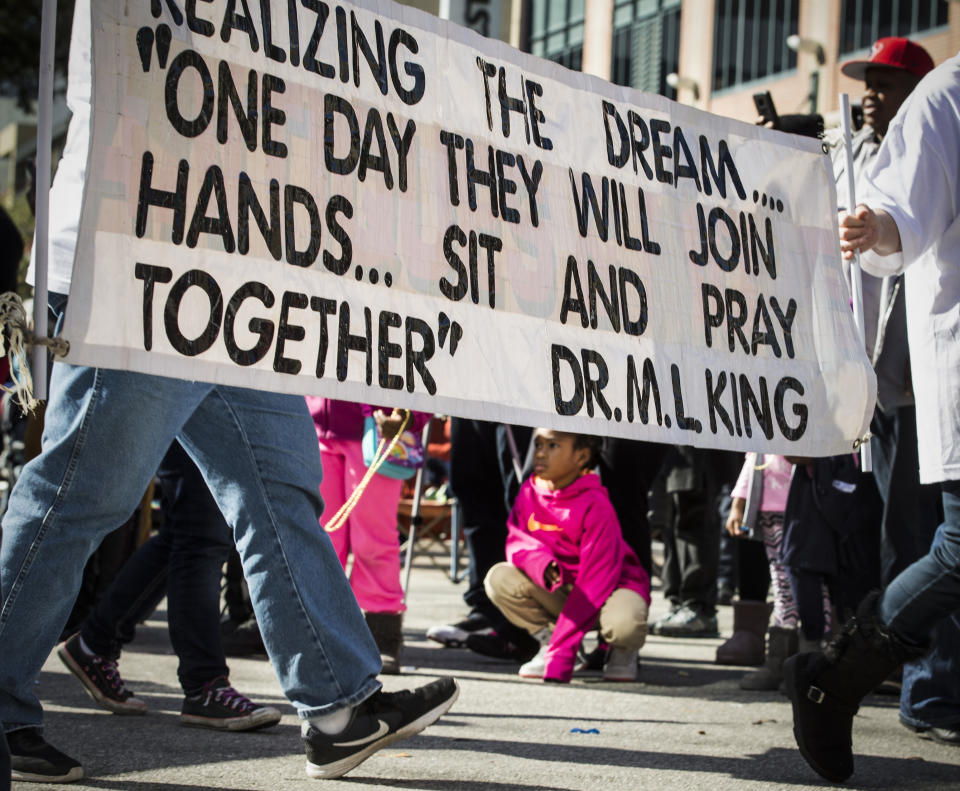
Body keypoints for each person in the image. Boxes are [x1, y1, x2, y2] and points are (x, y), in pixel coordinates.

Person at [0, 0, 458, 783]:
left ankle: (339, 706)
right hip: (140, 255)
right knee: (83, 494)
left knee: (277, 484)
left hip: (234, 276)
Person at [786, 51, 960, 783]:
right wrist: (879, 226)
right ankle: (833, 673)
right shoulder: (946, 95)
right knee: (953, 547)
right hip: (937, 371)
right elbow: (905, 210)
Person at [833, 36, 956, 743]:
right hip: (896, 390)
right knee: (925, 543)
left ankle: (923, 685)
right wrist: (873, 226)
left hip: (915, 386)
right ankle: (920, 687)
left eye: (885, 81)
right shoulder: (863, 156)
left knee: (937, 546)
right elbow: (894, 226)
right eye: (867, 83)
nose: (872, 93)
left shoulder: (929, 126)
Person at [57, 442, 281, 730]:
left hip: (203, 404)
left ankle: (94, 643)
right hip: (192, 404)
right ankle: (204, 685)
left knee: (183, 534)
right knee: (201, 534)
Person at [484, 428, 650, 682]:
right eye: (538, 444)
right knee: (499, 578)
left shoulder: (596, 503)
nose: (539, 453)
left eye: (553, 446)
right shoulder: (528, 492)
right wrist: (541, 564)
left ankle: (622, 651)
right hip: (563, 589)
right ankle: (548, 642)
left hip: (606, 592)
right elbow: (517, 541)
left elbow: (596, 582)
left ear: (581, 457)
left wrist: (562, 655)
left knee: (624, 624)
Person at [305, 397, 429, 674]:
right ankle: (323, 632)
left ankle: (382, 632)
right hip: (313, 427)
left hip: (377, 431)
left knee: (373, 540)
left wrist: (410, 416)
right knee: (322, 541)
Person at [718, 454, 792, 680]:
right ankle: (778, 658)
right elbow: (754, 456)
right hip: (768, 512)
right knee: (782, 586)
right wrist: (738, 504)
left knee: (806, 584)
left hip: (810, 507)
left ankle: (809, 652)